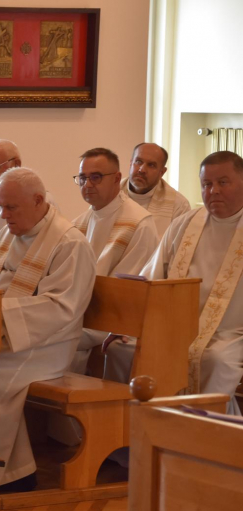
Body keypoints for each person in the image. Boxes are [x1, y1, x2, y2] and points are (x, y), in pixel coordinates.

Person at [0, 167, 96, 492]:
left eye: (11, 207)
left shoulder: (69, 243)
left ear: (38, 200)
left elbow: (62, 307)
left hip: (48, 342)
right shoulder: (8, 233)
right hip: (4, 331)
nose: (4, 215)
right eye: (1, 206)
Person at [109, 151, 243, 413]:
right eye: (206, 184)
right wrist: (132, 323)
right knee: (119, 349)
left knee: (215, 360)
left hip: (231, 333)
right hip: (173, 326)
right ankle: (127, 428)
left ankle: (208, 432)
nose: (213, 191)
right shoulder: (185, 224)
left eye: (223, 182)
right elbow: (151, 278)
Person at [69, 147, 158, 373]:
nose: (87, 184)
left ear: (117, 178)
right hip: (78, 314)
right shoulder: (77, 223)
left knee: (53, 339)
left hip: (110, 319)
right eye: (82, 178)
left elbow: (127, 291)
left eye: (96, 177)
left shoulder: (139, 223)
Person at [121, 142, 192, 237]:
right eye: (138, 161)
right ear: (131, 163)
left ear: (162, 172)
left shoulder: (179, 205)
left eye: (151, 165)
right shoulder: (111, 193)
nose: (142, 170)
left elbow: (179, 243)